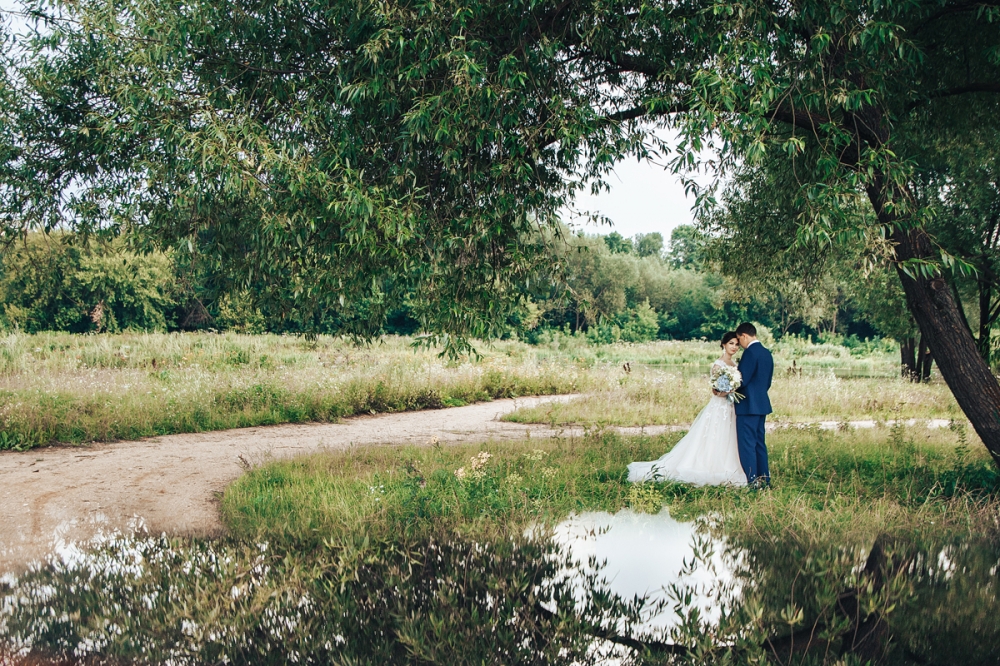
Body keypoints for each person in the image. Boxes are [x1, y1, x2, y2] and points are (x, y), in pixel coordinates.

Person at [627, 332, 747, 486]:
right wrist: (728, 391)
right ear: (723, 344)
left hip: (731, 406)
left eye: (737, 344)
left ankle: (732, 465)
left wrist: (734, 389)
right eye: (731, 343)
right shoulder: (719, 365)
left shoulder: (734, 365)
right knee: (715, 435)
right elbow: (715, 391)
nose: (734, 347)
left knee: (730, 436)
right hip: (719, 407)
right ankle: (711, 467)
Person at [733, 322, 774, 488]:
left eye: (738, 340)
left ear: (744, 335)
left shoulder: (750, 353)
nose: (739, 344)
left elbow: (742, 380)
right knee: (759, 443)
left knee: (747, 444)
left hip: (747, 405)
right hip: (761, 404)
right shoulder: (766, 353)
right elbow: (767, 382)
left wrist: (728, 386)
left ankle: (752, 481)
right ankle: (764, 479)